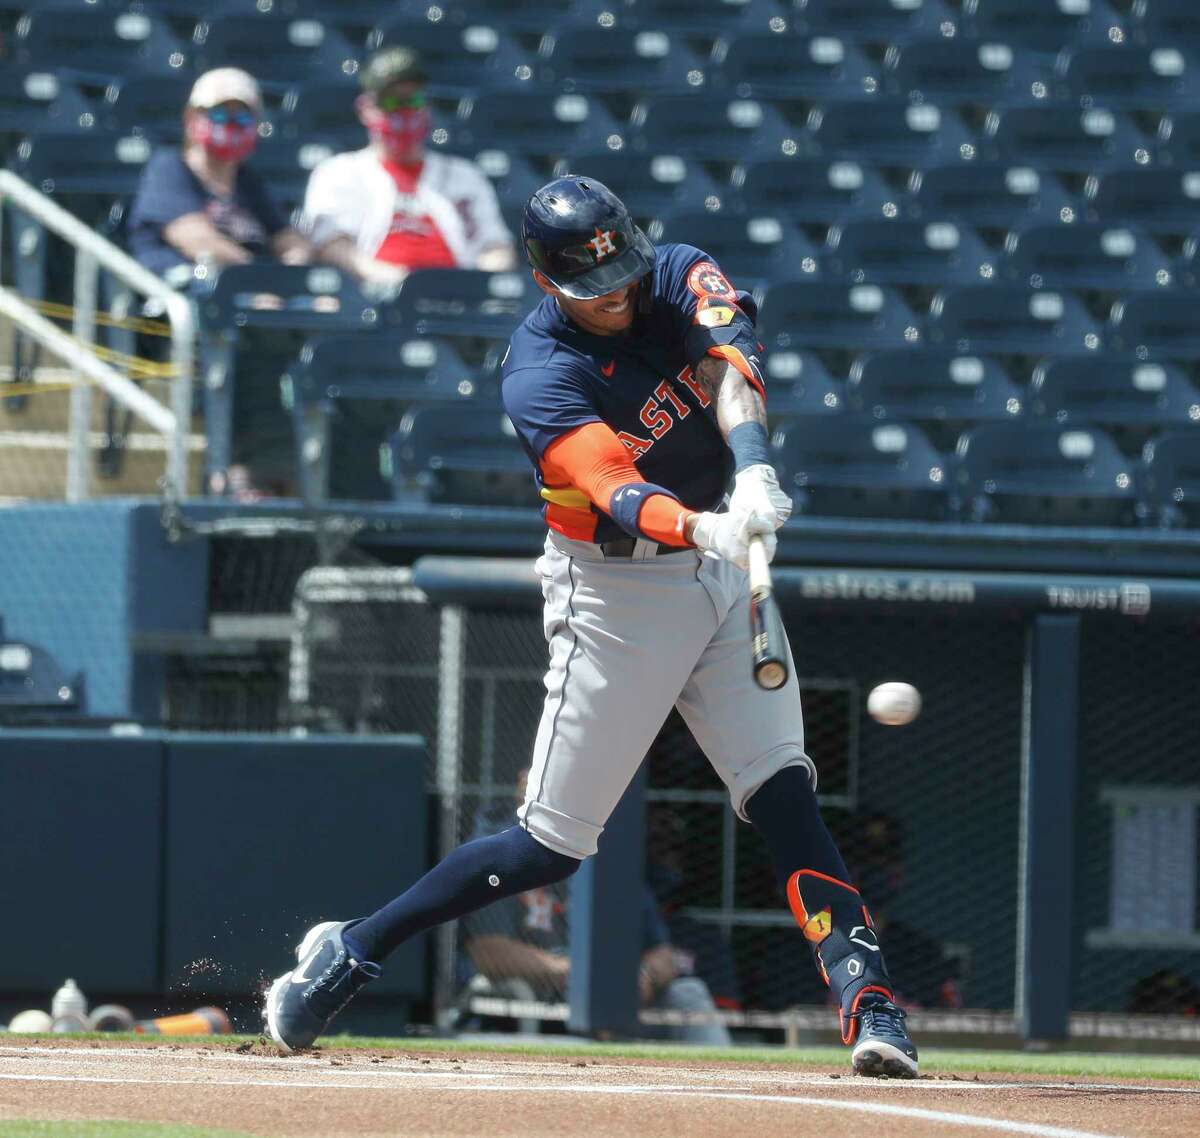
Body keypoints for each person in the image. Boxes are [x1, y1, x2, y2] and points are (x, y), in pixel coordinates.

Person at [263, 176, 919, 1079]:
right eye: (590, 281)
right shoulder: (539, 371)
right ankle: (351, 948)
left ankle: (869, 1002)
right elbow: (612, 485)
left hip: (722, 569)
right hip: (615, 594)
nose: (614, 291)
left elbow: (731, 370)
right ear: (547, 279)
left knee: (783, 793)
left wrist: (754, 468)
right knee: (550, 846)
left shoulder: (680, 272)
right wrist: (703, 525)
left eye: (620, 269)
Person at [461, 768, 731, 1045]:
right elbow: (487, 951)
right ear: (523, 784)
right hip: (535, 1000)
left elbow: (662, 952)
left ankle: (725, 1081)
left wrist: (643, 977)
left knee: (688, 993)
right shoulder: (502, 853)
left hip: (614, 995)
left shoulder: (609, 853)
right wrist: (572, 971)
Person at [298, 45, 517, 289]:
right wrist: (405, 286)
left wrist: (476, 286)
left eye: (413, 100)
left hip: (459, 299)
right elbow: (333, 247)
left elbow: (496, 247)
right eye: (391, 102)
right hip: (374, 299)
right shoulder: (339, 172)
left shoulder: (465, 175)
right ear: (365, 109)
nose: (404, 111)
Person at [127, 68, 310, 282]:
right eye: (219, 114)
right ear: (190, 118)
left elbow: (286, 236)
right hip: (189, 298)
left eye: (242, 117)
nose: (230, 125)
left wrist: (295, 261)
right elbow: (198, 241)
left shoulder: (248, 181)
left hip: (249, 293)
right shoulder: (169, 168)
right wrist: (262, 281)